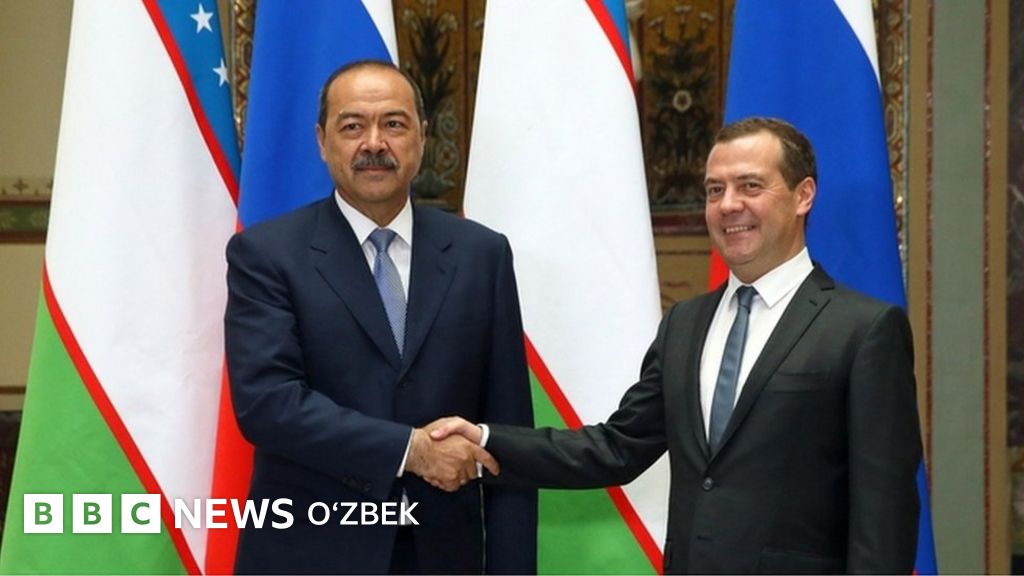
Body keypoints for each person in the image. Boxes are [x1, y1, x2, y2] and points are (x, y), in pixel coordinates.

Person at [432, 117, 922, 574]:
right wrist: (486, 440)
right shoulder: (685, 324)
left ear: (803, 196)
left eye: (750, 186)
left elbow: (885, 514)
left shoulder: (864, 330)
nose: (728, 205)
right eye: (715, 190)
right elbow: (616, 448)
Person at [224, 60, 537, 574]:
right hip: (310, 555)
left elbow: (506, 433)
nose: (374, 143)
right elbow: (268, 403)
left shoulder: (482, 255)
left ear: (422, 138)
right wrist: (410, 450)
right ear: (322, 141)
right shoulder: (266, 254)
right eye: (352, 126)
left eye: (394, 124)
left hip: (444, 557)